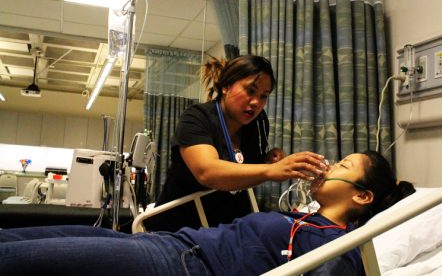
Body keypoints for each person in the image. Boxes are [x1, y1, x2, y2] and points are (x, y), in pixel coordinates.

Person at [0, 150, 415, 276]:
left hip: (182, 266)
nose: (328, 167)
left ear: (362, 197)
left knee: (19, 260)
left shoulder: (339, 248)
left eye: (342, 167)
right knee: (18, 238)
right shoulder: (305, 217)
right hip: (170, 242)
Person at [150, 55, 326, 231]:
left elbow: (244, 164)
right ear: (226, 86)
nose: (256, 102)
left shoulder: (257, 122)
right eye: (250, 91)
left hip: (228, 226)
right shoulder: (197, 118)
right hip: (179, 227)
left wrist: (269, 159)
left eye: (264, 96)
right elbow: (208, 172)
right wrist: (271, 170)